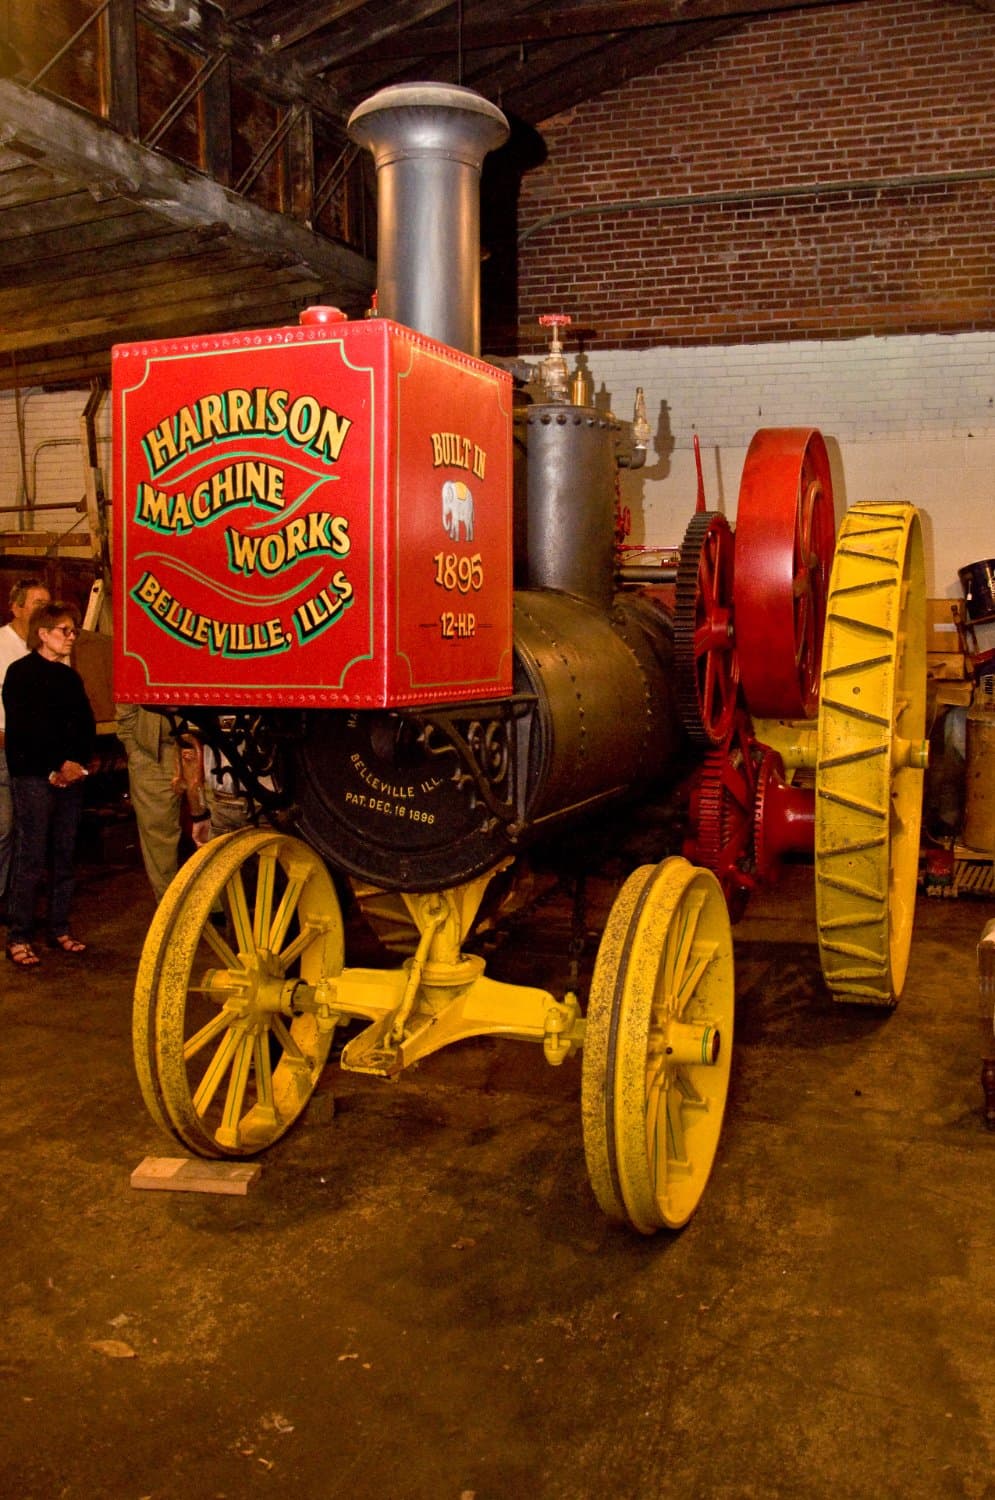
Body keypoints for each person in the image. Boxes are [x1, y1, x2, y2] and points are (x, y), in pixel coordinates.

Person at [3, 601, 95, 967]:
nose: (71, 637)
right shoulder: (20, 674)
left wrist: (76, 765)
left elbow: (84, 725)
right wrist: (56, 765)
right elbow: (26, 730)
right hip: (34, 778)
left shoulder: (70, 677)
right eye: (64, 631)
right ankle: (19, 935)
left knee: (64, 855)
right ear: (43, 634)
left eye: (74, 631)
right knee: (31, 857)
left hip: (69, 778)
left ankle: (59, 927)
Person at [0, 576, 52, 914]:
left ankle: (16, 901)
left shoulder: (49, 648)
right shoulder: (1, 645)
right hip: (3, 749)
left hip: (37, 754)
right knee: (3, 828)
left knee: (30, 830)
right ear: (16, 607)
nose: (44, 611)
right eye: (37, 604)